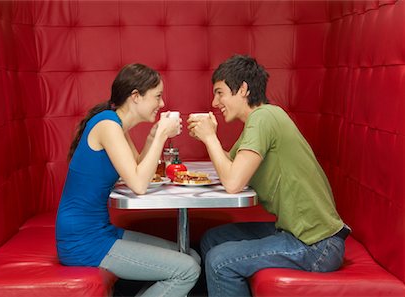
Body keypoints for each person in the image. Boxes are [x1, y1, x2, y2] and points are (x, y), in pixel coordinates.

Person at [187, 55, 350, 297]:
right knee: (213, 238)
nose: (214, 102)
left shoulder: (263, 118)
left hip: (317, 245)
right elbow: (231, 165)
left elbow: (232, 182)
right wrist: (209, 137)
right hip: (297, 233)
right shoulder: (263, 118)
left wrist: (210, 138)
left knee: (218, 260)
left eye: (220, 93)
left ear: (242, 89)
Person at [56, 63, 201, 297]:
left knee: (190, 256)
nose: (162, 104)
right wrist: (162, 136)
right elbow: (138, 184)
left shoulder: (117, 126)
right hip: (83, 240)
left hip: (101, 231)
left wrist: (153, 136)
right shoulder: (107, 126)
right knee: (187, 269)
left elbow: (137, 169)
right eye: (157, 96)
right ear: (135, 96)